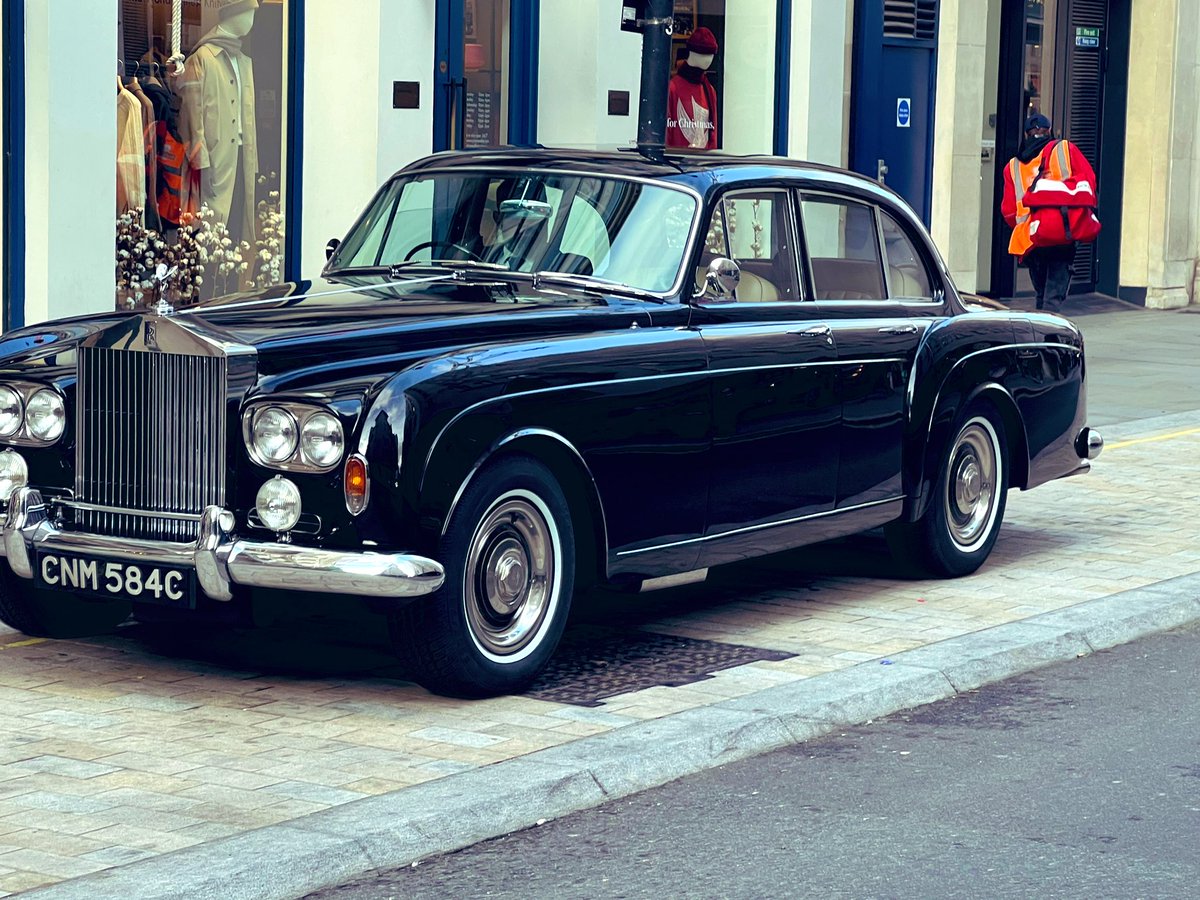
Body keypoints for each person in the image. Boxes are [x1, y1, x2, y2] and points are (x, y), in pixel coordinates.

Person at [1001, 113, 1098, 313]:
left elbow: (1009, 211)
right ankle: (1050, 340)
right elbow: (1088, 181)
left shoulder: (1012, 166)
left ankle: (1041, 334)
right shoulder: (1064, 149)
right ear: (1049, 131)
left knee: (1041, 294)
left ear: (1026, 134)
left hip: (1030, 237)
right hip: (1062, 231)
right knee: (1053, 297)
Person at [666, 27, 719, 150]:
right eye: (704, 54)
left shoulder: (709, 91)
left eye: (710, 55)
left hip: (703, 163)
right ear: (692, 53)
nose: (708, 59)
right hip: (677, 161)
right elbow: (667, 133)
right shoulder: (672, 88)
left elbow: (713, 134)